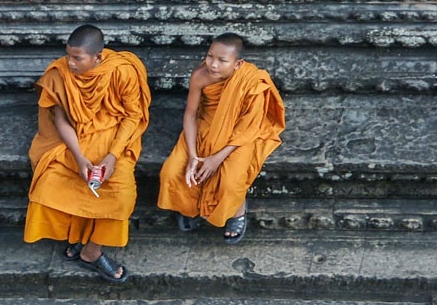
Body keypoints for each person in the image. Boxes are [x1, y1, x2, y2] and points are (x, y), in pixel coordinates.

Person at [24, 24, 149, 282]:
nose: (70, 62)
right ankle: (75, 237)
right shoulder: (58, 73)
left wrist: (113, 156)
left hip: (115, 137)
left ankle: (92, 251)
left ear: (98, 57)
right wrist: (80, 158)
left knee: (121, 196)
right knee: (51, 182)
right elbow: (61, 120)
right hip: (75, 139)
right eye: (68, 55)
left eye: (77, 58)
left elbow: (132, 116)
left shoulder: (121, 71)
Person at [156, 32, 286, 242]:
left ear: (237, 64)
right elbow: (190, 115)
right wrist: (192, 155)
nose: (213, 65)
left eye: (222, 60)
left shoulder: (251, 81)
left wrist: (217, 158)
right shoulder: (200, 75)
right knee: (172, 172)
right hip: (205, 126)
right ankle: (194, 208)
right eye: (210, 57)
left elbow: (250, 126)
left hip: (239, 136)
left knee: (229, 181)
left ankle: (238, 211)